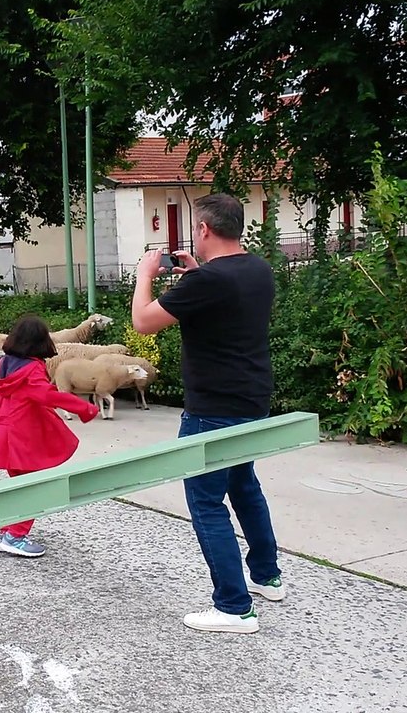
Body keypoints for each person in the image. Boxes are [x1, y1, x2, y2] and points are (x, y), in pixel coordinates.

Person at [131, 193, 280, 635]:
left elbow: (143, 321)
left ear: (203, 230)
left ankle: (233, 607)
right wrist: (195, 275)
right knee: (244, 486)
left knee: (206, 501)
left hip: (211, 408)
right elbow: (225, 302)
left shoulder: (209, 281)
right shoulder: (257, 268)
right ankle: (266, 576)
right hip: (251, 399)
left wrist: (145, 275)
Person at [0, 315, 98, 558]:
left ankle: (8, 531)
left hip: (4, 432)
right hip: (22, 437)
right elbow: (47, 395)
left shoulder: (5, 364)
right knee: (36, 489)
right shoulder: (32, 368)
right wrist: (84, 408)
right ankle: (15, 536)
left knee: (20, 487)